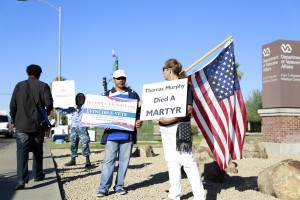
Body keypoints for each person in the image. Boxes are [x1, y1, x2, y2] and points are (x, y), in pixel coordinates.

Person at [159, 58, 205, 200]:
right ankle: (174, 194)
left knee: (187, 161)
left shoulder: (185, 86)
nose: (162, 74)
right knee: (171, 162)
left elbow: (188, 109)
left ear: (168, 70)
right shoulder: (163, 88)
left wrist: (170, 119)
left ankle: (199, 196)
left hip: (180, 127)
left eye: (163, 70)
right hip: (164, 129)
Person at [97, 69, 142, 197]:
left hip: (127, 135)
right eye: (118, 78)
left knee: (124, 162)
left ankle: (119, 186)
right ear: (114, 80)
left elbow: (139, 115)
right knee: (108, 162)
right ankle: (103, 188)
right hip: (111, 135)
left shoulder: (133, 94)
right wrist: (104, 123)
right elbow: (101, 113)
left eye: (123, 78)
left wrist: (139, 121)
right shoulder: (107, 95)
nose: (121, 80)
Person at [10, 64, 53, 190]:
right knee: (38, 151)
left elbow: (13, 105)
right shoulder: (43, 86)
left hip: (22, 124)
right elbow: (49, 104)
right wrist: (46, 114)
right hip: (38, 125)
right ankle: (38, 175)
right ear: (39, 73)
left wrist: (13, 120)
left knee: (22, 152)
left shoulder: (19, 85)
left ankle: (21, 180)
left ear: (28, 73)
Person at [64, 93, 92, 167]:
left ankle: (87, 161)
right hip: (73, 128)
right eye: (78, 97)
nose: (80, 98)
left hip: (82, 127)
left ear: (84, 98)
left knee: (84, 144)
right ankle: (73, 160)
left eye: (81, 97)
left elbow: (84, 114)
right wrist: (57, 106)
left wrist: (77, 109)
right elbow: (64, 111)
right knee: (73, 144)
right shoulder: (72, 107)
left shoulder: (86, 107)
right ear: (76, 98)